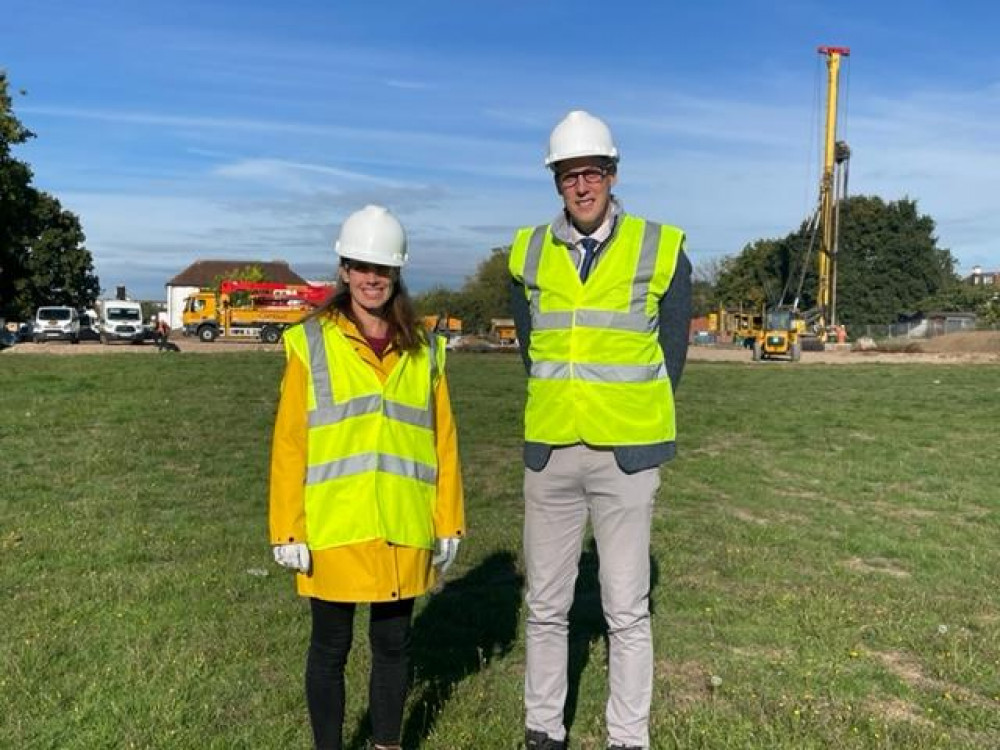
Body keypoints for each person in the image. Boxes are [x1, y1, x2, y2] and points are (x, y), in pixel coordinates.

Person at [508, 111, 692, 750]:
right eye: (568, 175)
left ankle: (627, 737)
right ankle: (543, 729)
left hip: (626, 456)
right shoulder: (528, 251)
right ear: (556, 182)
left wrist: (631, 419)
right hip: (552, 449)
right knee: (545, 607)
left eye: (592, 173)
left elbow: (672, 353)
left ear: (612, 176)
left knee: (626, 609)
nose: (581, 186)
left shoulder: (659, 246)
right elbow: (533, 349)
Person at [269, 204, 465, 750]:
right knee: (330, 647)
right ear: (344, 270)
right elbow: (290, 444)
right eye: (361, 265)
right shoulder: (311, 343)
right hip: (334, 524)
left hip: (403, 523)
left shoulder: (426, 350)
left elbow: (442, 441)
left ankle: (386, 745)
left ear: (396, 272)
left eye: (381, 268)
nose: (371, 278)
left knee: (394, 645)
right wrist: (288, 528)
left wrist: (449, 519)